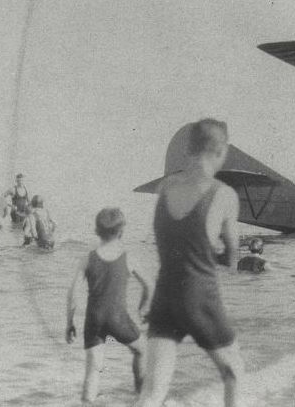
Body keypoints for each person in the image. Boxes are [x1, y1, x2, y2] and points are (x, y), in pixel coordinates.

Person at [137, 119, 245, 407]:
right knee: (234, 372)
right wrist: (214, 253)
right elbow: (232, 258)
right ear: (221, 151)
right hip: (200, 297)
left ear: (188, 149)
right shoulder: (224, 194)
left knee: (152, 393)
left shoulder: (165, 186)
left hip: (164, 297)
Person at [66, 207, 149, 403]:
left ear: (96, 231)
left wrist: (69, 323)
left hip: (94, 320)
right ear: (122, 231)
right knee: (142, 350)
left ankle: (87, 403)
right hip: (118, 318)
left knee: (93, 369)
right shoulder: (127, 256)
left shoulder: (88, 258)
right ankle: (140, 397)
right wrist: (143, 307)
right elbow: (149, 285)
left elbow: (72, 294)